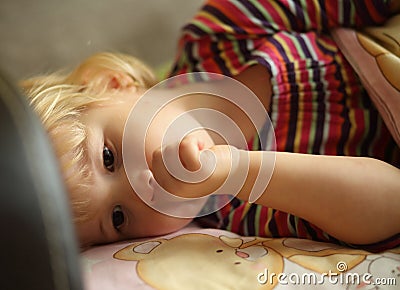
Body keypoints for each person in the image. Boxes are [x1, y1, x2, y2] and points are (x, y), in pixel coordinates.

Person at [20, 0, 400, 251]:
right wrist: (235, 170)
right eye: (119, 218)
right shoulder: (246, 218)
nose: (142, 188)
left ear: (111, 84)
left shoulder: (216, 36)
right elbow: (392, 201)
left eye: (108, 157)